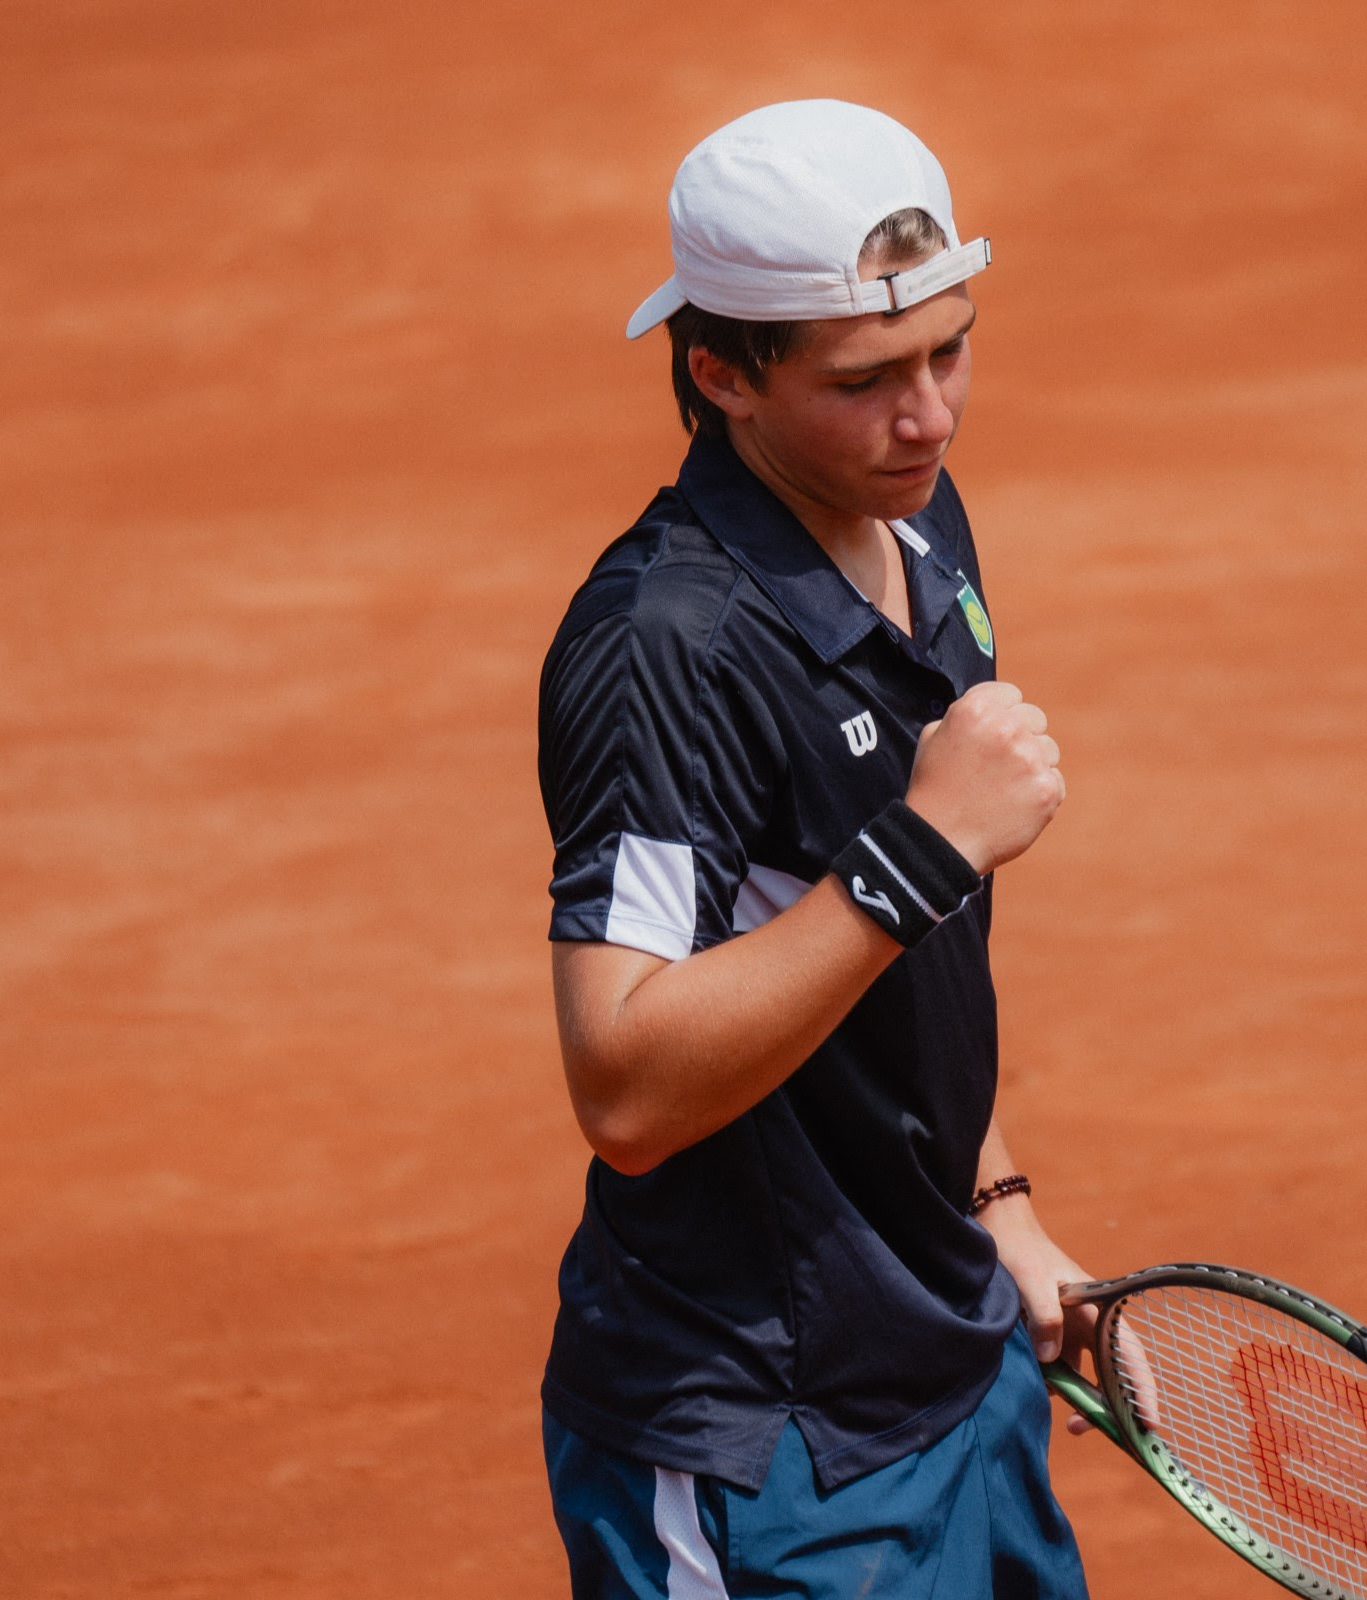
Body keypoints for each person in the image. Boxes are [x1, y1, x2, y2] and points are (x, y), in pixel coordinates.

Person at [535, 99, 1092, 1598]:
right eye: (866, 382)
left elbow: (908, 970)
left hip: (955, 1363)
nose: (930, 417)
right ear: (722, 373)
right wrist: (919, 847)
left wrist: (1001, 1213)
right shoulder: (667, 648)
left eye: (949, 351)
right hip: (766, 1440)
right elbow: (627, 1084)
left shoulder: (915, 520)